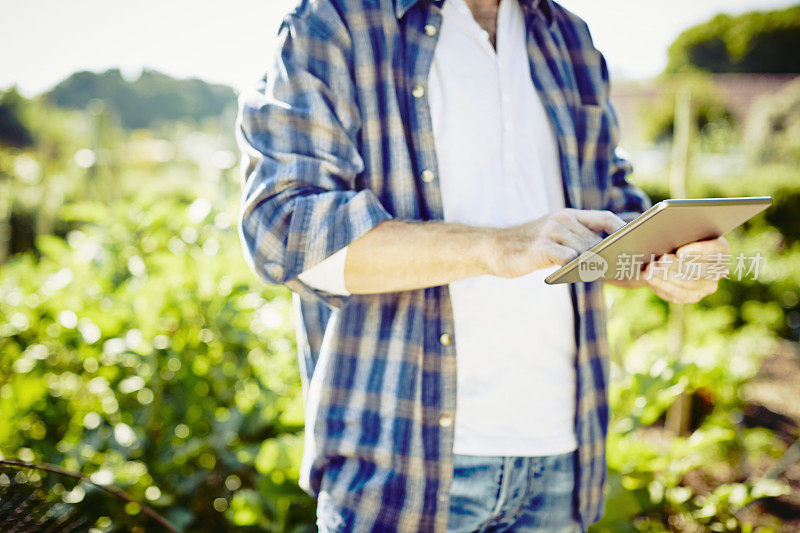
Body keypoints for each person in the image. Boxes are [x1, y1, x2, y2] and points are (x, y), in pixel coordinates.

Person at [236, 0, 730, 530]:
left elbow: (609, 205)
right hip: (401, 468)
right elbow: (284, 230)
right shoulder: (336, 20)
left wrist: (672, 254)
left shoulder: (569, 37)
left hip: (561, 461)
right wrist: (494, 246)